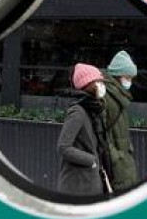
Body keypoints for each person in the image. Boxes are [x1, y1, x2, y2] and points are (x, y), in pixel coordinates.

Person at [57, 63, 112, 195]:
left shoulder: (92, 110)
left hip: (89, 184)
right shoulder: (78, 112)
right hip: (78, 186)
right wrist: (91, 160)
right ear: (89, 85)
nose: (101, 85)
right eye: (98, 82)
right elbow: (63, 147)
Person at [102, 49, 140, 191]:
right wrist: (115, 157)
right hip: (117, 163)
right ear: (118, 76)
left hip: (123, 159)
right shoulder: (108, 97)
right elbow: (102, 132)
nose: (129, 81)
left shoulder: (120, 95)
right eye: (127, 77)